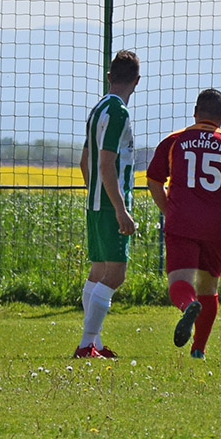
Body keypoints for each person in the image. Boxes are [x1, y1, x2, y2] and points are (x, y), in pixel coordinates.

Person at [147, 88, 221, 359]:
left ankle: (188, 306)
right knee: (208, 287)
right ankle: (198, 350)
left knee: (179, 282)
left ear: (195, 112)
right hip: (217, 225)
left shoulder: (174, 141)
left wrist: (169, 211)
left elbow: (154, 181)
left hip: (182, 222)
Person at [75, 49, 141, 359]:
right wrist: (119, 208)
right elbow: (105, 164)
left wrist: (95, 195)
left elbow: (84, 162)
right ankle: (86, 344)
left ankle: (95, 344)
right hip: (109, 204)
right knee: (115, 275)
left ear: (109, 77)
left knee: (98, 271)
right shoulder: (118, 112)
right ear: (137, 81)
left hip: (95, 203)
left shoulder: (98, 108)